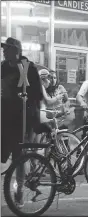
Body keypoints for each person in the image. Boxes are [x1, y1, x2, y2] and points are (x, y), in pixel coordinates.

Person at [1, 37, 43, 207]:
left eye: (8, 48)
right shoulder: (3, 67)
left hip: (22, 117)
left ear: (16, 51)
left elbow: (37, 94)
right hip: (6, 115)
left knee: (19, 157)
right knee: (8, 154)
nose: (4, 51)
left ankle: (18, 192)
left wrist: (28, 104)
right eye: (4, 49)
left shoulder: (26, 67)